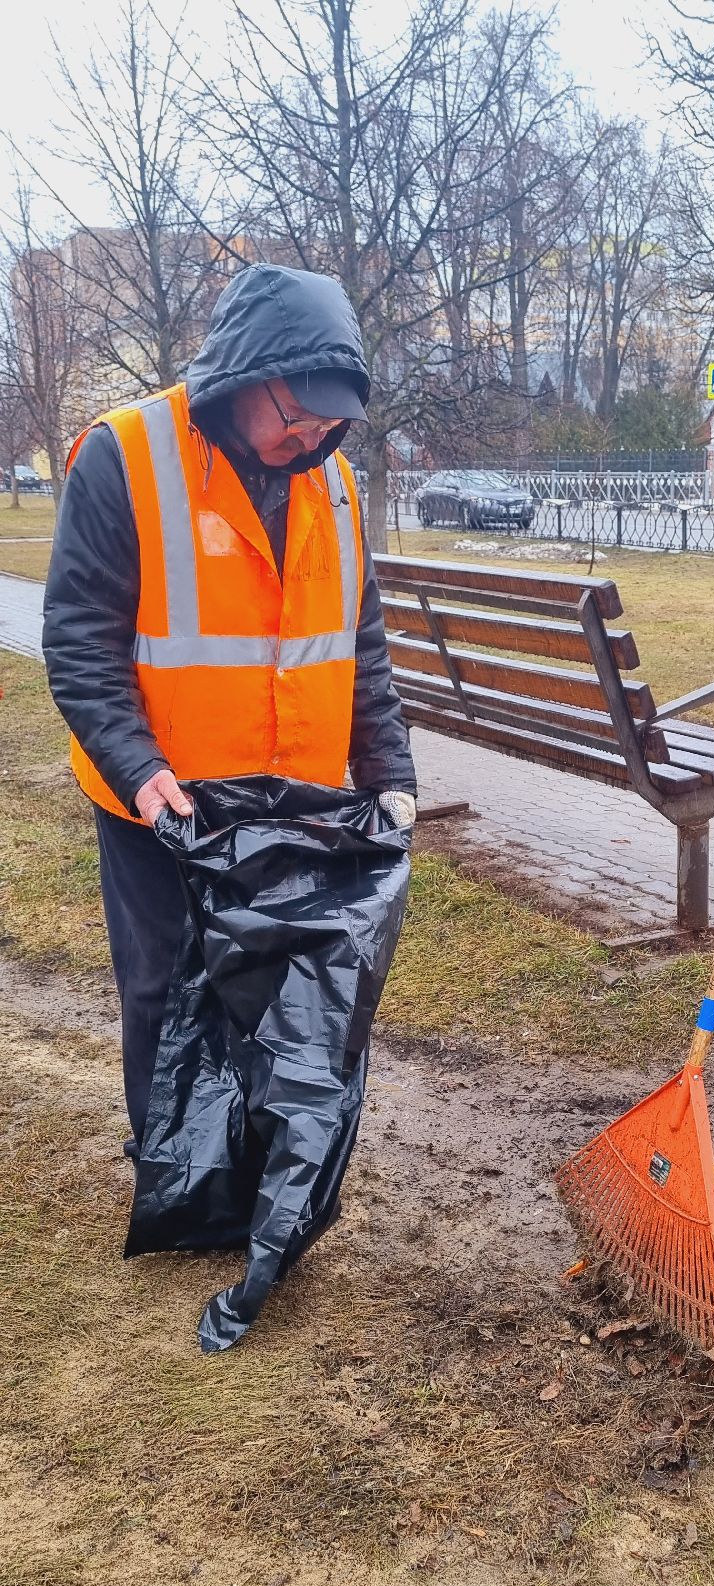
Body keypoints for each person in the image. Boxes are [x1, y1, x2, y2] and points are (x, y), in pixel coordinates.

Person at [42, 263, 417, 1157]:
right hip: (166, 802)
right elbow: (80, 638)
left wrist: (391, 774)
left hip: (290, 803)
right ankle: (178, 1165)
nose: (312, 439)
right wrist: (137, 768)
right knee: (168, 989)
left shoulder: (336, 487)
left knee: (276, 991)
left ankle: (258, 1168)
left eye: (330, 424)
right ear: (245, 379)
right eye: (297, 418)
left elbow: (359, 647)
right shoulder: (124, 456)